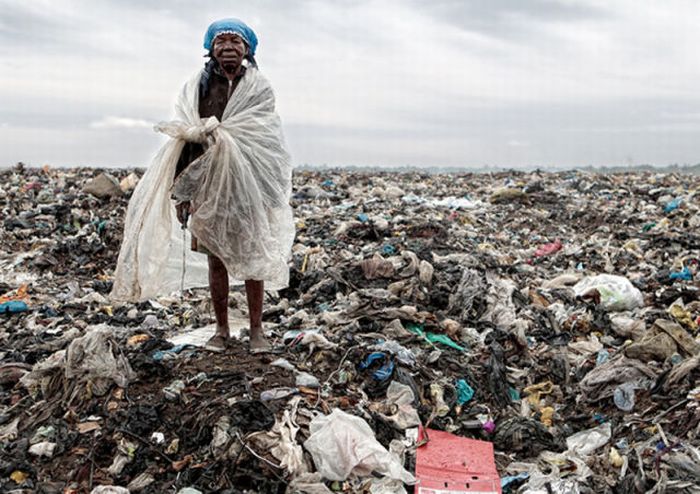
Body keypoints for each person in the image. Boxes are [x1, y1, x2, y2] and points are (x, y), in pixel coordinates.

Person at [111, 18, 295, 354]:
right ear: (209, 48)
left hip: (247, 189)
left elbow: (266, 144)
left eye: (235, 42)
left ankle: (257, 331)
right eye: (221, 42)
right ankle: (221, 330)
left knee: (254, 258)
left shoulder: (258, 89)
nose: (228, 48)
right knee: (216, 261)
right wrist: (183, 193)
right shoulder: (197, 86)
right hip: (208, 186)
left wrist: (268, 196)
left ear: (248, 50)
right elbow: (187, 139)